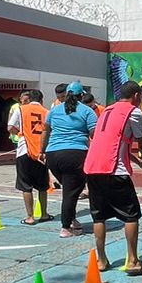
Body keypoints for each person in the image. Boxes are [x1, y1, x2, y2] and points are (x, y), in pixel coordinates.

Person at [83, 80, 142, 275]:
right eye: (141, 96)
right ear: (136, 96)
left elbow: (117, 141)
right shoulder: (134, 112)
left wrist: (136, 161)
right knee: (131, 216)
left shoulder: (107, 111)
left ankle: (101, 260)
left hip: (93, 168)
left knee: (99, 216)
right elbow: (141, 143)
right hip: (114, 170)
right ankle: (132, 260)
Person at [43, 81, 98, 237]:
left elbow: (45, 132)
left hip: (53, 155)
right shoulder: (87, 111)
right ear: (82, 95)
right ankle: (65, 227)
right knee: (71, 192)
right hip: (75, 154)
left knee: (70, 190)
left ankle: (72, 219)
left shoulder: (54, 111)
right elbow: (95, 133)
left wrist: (42, 151)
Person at [7, 89, 51, 225]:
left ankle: (30, 217)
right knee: (43, 185)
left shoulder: (21, 109)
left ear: (28, 99)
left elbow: (10, 127)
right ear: (41, 100)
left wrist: (20, 133)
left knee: (26, 185)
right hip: (41, 152)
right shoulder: (47, 112)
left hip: (24, 150)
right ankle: (43, 214)